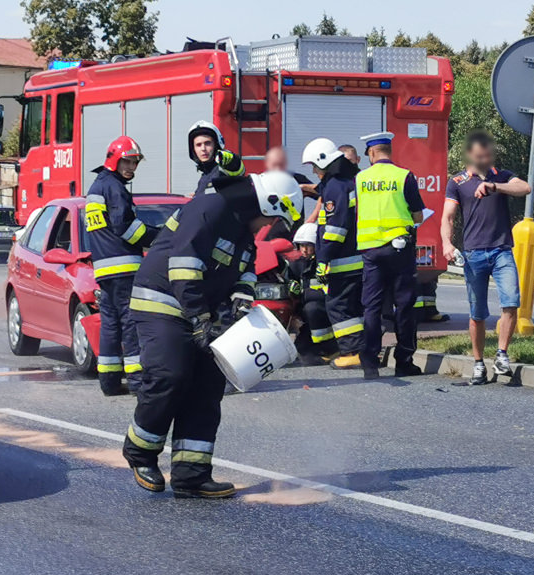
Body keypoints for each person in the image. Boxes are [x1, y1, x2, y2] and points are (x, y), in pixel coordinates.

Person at [122, 171, 302, 498]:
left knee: (207, 386)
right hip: (163, 301)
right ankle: (141, 452)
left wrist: (239, 301)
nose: (266, 227)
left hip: (202, 309)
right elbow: (183, 267)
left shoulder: (243, 227)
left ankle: (191, 474)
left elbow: (244, 269)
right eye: (271, 219)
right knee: (171, 375)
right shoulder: (210, 209)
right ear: (266, 202)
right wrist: (201, 319)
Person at [441, 130, 531, 385]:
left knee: (511, 302)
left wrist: (495, 187)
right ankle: (478, 363)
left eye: (489, 155)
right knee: (477, 313)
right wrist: (447, 243)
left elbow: (525, 187)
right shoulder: (457, 182)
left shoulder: (501, 177)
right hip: (473, 254)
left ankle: (501, 354)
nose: (486, 159)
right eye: (481, 155)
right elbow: (447, 216)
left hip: (502, 250)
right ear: (470, 155)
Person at [85, 136, 158, 396]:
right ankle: (138, 383)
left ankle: (109, 382)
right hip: (124, 267)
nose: (131, 167)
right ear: (114, 160)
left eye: (135, 162)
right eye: (127, 161)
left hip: (104, 268)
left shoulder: (97, 186)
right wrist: (158, 237)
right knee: (130, 323)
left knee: (110, 324)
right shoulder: (114, 187)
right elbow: (125, 227)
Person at [355, 132, 425, 380]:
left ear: (372, 153)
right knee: (404, 305)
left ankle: (370, 363)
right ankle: (404, 361)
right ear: (389, 152)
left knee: (372, 307)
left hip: (371, 251)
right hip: (399, 250)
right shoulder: (404, 176)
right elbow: (418, 214)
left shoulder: (360, 179)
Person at [302, 137, 364, 369]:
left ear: (325, 162)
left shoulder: (336, 186)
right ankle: (356, 349)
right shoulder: (342, 181)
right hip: (350, 256)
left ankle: (353, 352)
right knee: (350, 305)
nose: (315, 171)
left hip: (341, 259)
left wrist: (323, 258)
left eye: (315, 166)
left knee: (338, 305)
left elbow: (335, 229)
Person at [288, 222, 338, 364]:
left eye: (308, 246)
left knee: (312, 308)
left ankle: (329, 348)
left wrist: (304, 294)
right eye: (301, 245)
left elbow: (330, 292)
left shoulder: (325, 264)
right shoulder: (296, 264)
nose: (304, 250)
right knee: (303, 353)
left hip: (324, 310)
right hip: (306, 314)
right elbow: (291, 280)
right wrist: (292, 286)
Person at [188, 121, 245, 197]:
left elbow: (236, 167)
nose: (203, 148)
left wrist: (231, 159)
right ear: (193, 150)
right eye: (198, 145)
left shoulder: (224, 167)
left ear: (216, 145)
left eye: (207, 143)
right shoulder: (204, 176)